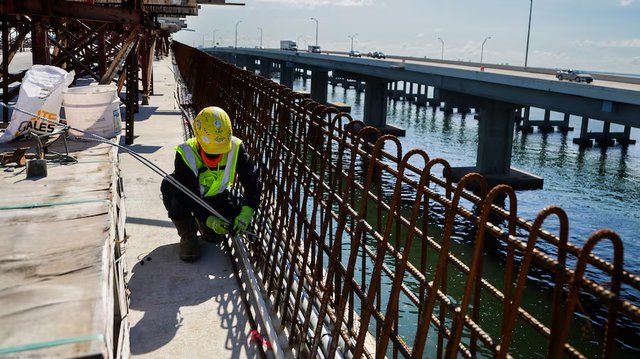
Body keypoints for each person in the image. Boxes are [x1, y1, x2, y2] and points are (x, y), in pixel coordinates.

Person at [160, 106, 261, 262]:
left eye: (220, 151)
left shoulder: (236, 148)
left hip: (217, 197)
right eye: (211, 151)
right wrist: (209, 219)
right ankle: (188, 234)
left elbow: (252, 180)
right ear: (199, 139)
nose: (217, 155)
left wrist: (246, 212)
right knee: (171, 186)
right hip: (192, 199)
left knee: (227, 222)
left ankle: (205, 225)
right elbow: (190, 195)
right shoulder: (186, 153)